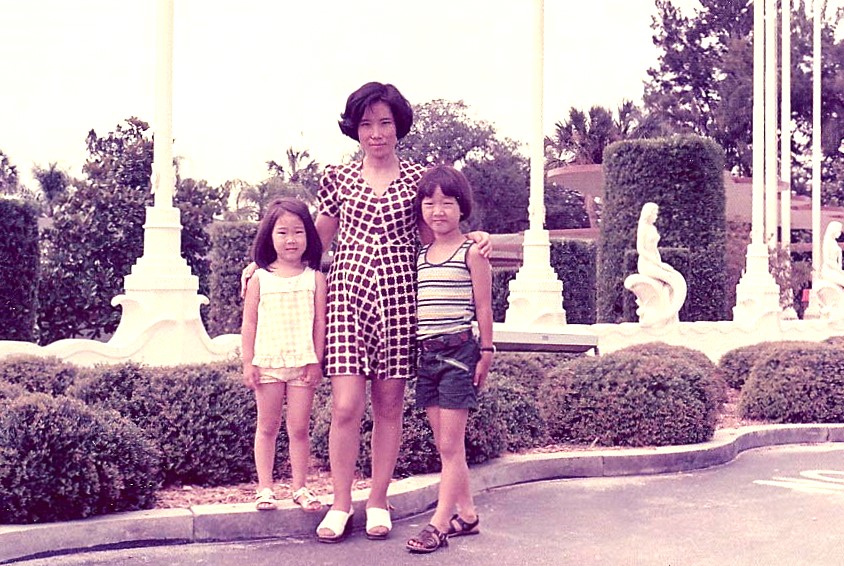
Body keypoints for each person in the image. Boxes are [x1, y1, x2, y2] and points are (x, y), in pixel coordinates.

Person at [242, 81, 490, 543]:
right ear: (355, 129)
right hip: (346, 301)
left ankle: (377, 500)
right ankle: (341, 504)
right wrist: (263, 267)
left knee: (389, 406)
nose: (376, 133)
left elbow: (437, 232)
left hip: (399, 301)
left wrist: (476, 238)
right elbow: (316, 242)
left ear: (398, 127)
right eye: (367, 124)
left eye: (385, 123)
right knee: (345, 406)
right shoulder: (338, 177)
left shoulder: (417, 179)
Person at [405, 166, 493, 554]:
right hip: (427, 357)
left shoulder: (472, 252)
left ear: (462, 208)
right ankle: (467, 515)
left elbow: (484, 306)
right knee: (447, 446)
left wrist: (486, 351)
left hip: (459, 354)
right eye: (429, 203)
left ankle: (439, 524)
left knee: (449, 444)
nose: (437, 211)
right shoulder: (421, 255)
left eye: (446, 202)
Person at [241, 197, 327, 514]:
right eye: (282, 232)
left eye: (298, 232)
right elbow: (249, 323)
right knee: (267, 426)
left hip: (303, 364)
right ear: (270, 236)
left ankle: (300, 487)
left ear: (308, 236)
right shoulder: (259, 278)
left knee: (299, 429)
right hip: (268, 364)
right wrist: (248, 362)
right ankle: (265, 488)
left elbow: (320, 322)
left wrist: (316, 360)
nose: (291, 239)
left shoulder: (315, 278)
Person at [635, 201, 687, 313]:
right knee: (671, 278)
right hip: (646, 264)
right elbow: (641, 249)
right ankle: (666, 311)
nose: (656, 216)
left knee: (674, 277)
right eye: (654, 213)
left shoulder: (652, 228)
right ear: (648, 214)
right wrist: (658, 264)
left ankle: (667, 308)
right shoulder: (643, 228)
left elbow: (654, 249)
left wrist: (661, 264)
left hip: (655, 262)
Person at [821, 221, 844, 287]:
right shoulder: (827, 242)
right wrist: (838, 270)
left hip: (835, 270)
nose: (840, 233)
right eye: (838, 231)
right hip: (828, 270)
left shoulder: (834, 243)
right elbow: (827, 260)